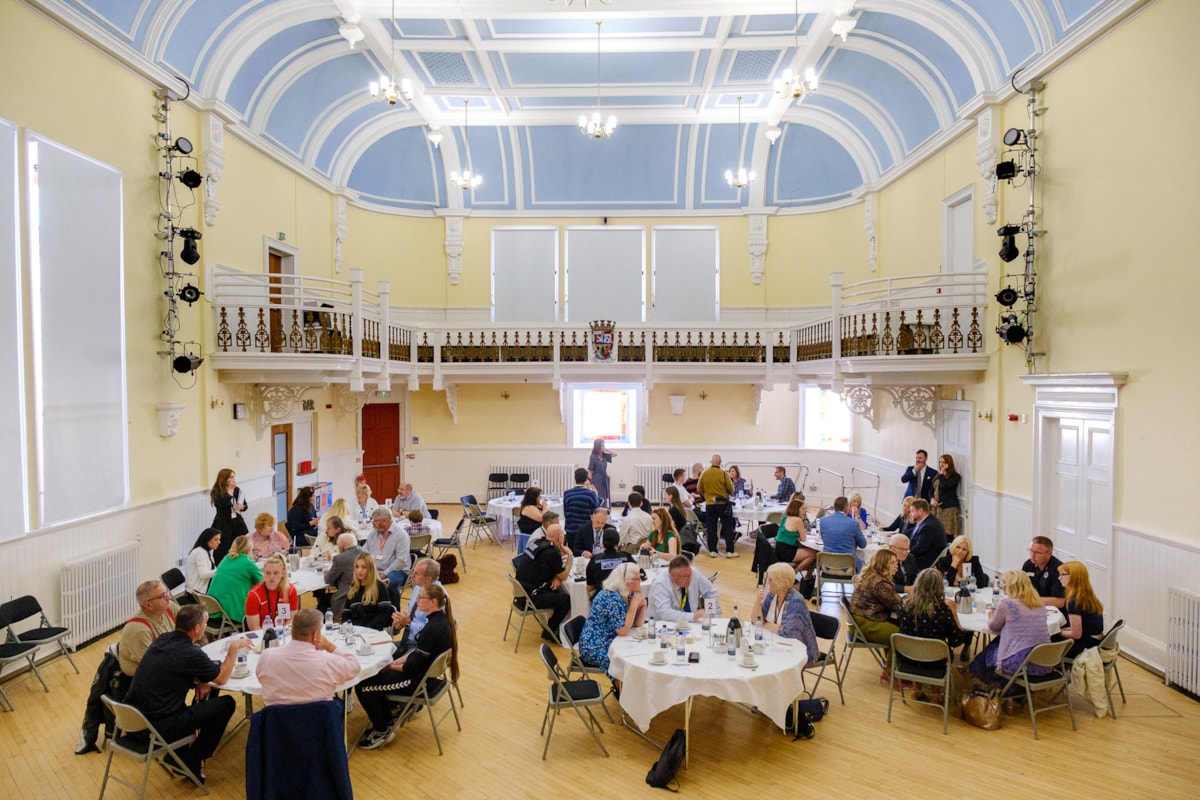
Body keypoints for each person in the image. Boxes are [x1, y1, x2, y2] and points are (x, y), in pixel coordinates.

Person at [126, 605, 251, 782]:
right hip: (160, 724)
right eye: (205, 623)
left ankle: (182, 753)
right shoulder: (190, 653)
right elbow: (222, 678)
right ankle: (193, 759)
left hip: (135, 717)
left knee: (209, 692)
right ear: (198, 628)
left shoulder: (162, 639)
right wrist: (234, 647)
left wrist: (203, 680)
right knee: (227, 703)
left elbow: (175, 668)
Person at [74, 580, 181, 755]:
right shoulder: (138, 629)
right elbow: (155, 667)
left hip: (166, 667)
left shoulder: (170, 608)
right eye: (162, 596)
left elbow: (190, 627)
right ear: (147, 605)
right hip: (143, 681)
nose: (168, 597)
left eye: (166, 592)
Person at [354, 584, 458, 750]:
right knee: (373, 679)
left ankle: (382, 731)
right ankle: (387, 720)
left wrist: (389, 668)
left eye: (420, 598)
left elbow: (411, 667)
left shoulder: (432, 629)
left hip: (415, 681)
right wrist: (393, 663)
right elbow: (415, 653)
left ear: (432, 602)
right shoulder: (439, 621)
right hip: (422, 675)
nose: (417, 601)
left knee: (363, 686)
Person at [256, 608, 360, 706]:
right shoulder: (327, 661)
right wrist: (330, 647)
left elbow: (261, 679)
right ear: (316, 635)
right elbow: (354, 667)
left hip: (277, 722)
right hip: (319, 720)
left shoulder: (266, 657)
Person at [969, 570, 1052, 686]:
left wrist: (991, 616)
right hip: (1044, 660)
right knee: (999, 643)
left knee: (986, 653)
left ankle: (995, 686)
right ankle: (1012, 691)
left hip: (1020, 662)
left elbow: (993, 627)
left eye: (1004, 582)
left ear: (1012, 585)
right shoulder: (1039, 604)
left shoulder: (1007, 604)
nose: (1002, 586)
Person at [578, 563, 647, 674]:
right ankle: (621, 689)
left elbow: (638, 624)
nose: (641, 581)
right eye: (638, 578)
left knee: (640, 653)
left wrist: (643, 605)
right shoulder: (611, 597)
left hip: (611, 639)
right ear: (627, 582)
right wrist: (634, 605)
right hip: (595, 646)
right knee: (627, 662)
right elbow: (623, 630)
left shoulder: (627, 593)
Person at [514, 523, 573, 638]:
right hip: (531, 598)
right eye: (562, 533)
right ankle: (550, 631)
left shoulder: (537, 543)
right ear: (559, 537)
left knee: (556, 590)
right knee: (566, 600)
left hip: (521, 593)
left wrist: (556, 576)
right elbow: (564, 575)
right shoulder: (552, 552)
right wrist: (569, 555)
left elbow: (544, 566)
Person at [899, 568, 966, 664]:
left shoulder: (903, 603)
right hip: (935, 661)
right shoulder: (942, 609)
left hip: (906, 656)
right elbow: (956, 641)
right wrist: (954, 612)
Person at [757, 562, 819, 666]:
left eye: (771, 579)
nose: (768, 582)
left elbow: (789, 633)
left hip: (798, 651)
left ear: (780, 582)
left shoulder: (796, 601)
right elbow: (757, 621)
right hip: (777, 644)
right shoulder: (772, 595)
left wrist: (767, 625)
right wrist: (758, 602)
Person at [206, 535, 262, 626]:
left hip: (213, 610)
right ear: (249, 549)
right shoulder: (247, 561)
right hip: (231, 612)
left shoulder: (226, 558)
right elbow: (263, 583)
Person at [849, 549, 903, 646]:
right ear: (883, 564)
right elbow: (898, 605)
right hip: (867, 624)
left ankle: (892, 660)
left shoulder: (870, 576)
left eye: (896, 563)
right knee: (901, 637)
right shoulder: (880, 583)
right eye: (892, 563)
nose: (896, 566)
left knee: (899, 628)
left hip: (858, 621)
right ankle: (893, 661)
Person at [647, 556, 721, 624]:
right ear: (673, 575)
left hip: (691, 624)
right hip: (664, 625)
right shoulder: (660, 584)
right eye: (685, 576)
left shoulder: (694, 573)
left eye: (690, 575)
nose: (690, 579)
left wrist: (713, 616)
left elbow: (710, 593)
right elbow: (665, 613)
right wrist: (692, 616)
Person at [1055, 561, 1105, 660]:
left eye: (1062, 575)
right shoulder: (1087, 595)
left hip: (1086, 647)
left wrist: (1057, 632)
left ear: (1074, 577)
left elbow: (1076, 634)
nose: (1059, 578)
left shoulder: (1074, 601)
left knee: (1047, 641)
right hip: (1095, 642)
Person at [392, 558, 442, 646]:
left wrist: (408, 623)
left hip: (420, 645)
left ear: (428, 579)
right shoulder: (418, 587)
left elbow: (431, 630)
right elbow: (412, 616)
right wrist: (401, 620)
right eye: (413, 572)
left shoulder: (436, 598)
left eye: (416, 574)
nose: (412, 576)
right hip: (408, 640)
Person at [244, 554, 299, 631]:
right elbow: (254, 628)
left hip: (283, 634)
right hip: (263, 635)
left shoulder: (290, 591)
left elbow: (291, 620)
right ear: (263, 573)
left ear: (283, 573)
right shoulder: (254, 595)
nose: (271, 577)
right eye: (268, 573)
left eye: (276, 573)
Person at [697, 453, 737, 558]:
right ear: (720, 462)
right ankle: (729, 551)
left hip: (710, 504)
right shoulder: (724, 474)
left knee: (711, 528)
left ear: (711, 462)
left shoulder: (704, 474)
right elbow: (731, 489)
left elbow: (699, 489)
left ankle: (713, 551)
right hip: (723, 504)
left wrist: (707, 494)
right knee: (727, 527)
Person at [341, 553, 393, 630]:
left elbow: (384, 614)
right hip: (354, 631)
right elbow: (346, 613)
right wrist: (347, 626)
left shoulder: (379, 586)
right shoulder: (353, 588)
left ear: (370, 569)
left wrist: (368, 629)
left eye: (364, 567)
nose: (359, 570)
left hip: (373, 631)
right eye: (357, 567)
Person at [364, 506, 410, 589]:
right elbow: (364, 552)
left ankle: (391, 602)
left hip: (396, 571)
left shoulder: (400, 535)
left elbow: (401, 561)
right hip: (375, 569)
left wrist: (384, 574)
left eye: (375, 521)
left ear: (384, 521)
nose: (372, 523)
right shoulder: (373, 533)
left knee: (384, 583)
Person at [324, 532, 366, 620]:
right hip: (367, 598)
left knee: (322, 599)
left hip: (346, 601)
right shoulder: (366, 554)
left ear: (341, 547)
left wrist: (327, 573)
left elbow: (328, 580)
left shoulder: (340, 559)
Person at [208, 468, 248, 564]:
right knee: (224, 548)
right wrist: (230, 490)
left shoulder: (237, 490)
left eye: (234, 477)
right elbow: (225, 504)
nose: (233, 480)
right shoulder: (217, 492)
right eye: (231, 477)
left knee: (239, 545)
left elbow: (245, 505)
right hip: (223, 523)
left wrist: (241, 507)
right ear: (224, 479)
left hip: (236, 522)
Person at [818, 496, 868, 568]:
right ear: (846, 508)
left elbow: (824, 540)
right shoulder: (853, 524)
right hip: (848, 567)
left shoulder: (823, 521)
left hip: (827, 565)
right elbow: (863, 544)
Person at [774, 493, 816, 574]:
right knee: (813, 553)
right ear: (797, 509)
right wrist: (802, 533)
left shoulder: (785, 517)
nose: (804, 511)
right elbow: (803, 539)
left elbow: (789, 533)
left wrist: (798, 535)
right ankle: (794, 572)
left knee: (805, 551)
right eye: (802, 509)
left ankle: (793, 571)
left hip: (778, 548)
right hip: (787, 551)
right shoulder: (797, 520)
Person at [562, 467, 600, 555]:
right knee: (586, 555)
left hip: (571, 529)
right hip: (586, 530)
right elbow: (596, 511)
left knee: (572, 554)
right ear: (586, 479)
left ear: (575, 478)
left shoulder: (567, 493)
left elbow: (566, 511)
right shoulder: (591, 494)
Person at [586, 529, 634, 595]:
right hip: (624, 599)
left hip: (602, 600)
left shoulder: (594, 560)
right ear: (618, 543)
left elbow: (589, 587)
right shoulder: (626, 558)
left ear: (603, 543)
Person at [1022, 535, 1066, 608]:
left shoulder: (1059, 570)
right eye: (1031, 551)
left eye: (1038, 553)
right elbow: (1021, 587)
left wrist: (1030, 600)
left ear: (1049, 554)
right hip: (1033, 606)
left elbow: (1060, 602)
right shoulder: (1028, 564)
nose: (1032, 556)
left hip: (1054, 611)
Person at [907, 499, 947, 573]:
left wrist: (905, 553)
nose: (910, 514)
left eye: (912, 511)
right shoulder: (925, 521)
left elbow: (920, 548)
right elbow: (912, 532)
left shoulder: (929, 526)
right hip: (920, 555)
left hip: (924, 561)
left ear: (920, 511)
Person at [183, 528, 221, 599]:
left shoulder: (207, 552)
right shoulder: (200, 552)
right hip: (196, 594)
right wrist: (221, 570)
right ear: (207, 540)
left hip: (199, 591)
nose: (219, 542)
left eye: (219, 539)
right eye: (215, 539)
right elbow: (203, 574)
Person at [930, 453, 962, 538]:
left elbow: (945, 486)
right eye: (940, 462)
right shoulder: (937, 475)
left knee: (947, 533)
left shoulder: (955, 476)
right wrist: (932, 498)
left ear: (949, 463)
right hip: (937, 508)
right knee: (936, 532)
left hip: (948, 508)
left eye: (943, 462)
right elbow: (931, 489)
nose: (941, 464)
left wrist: (941, 474)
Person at [587, 438, 615, 506]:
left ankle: (606, 509)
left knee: (606, 495)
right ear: (598, 446)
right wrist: (589, 481)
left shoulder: (605, 455)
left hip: (605, 478)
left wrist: (606, 449)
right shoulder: (593, 457)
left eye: (603, 445)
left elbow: (614, 454)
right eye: (602, 445)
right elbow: (590, 470)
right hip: (596, 479)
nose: (603, 447)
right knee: (598, 495)